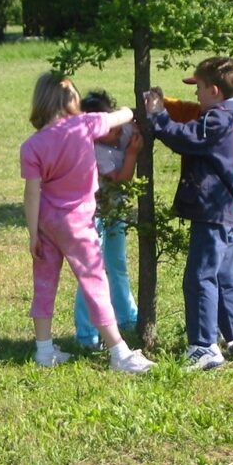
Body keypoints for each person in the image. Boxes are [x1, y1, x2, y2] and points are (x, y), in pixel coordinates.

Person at [20, 72, 155, 373]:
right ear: (73, 101)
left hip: (46, 221)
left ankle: (43, 350)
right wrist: (135, 109)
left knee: (44, 284)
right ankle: (118, 351)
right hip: (78, 221)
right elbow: (124, 114)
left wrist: (33, 234)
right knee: (95, 281)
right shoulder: (86, 125)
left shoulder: (32, 145)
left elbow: (31, 192)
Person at [144, 56, 233, 370]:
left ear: (215, 91)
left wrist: (158, 116)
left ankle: (204, 345)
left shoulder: (216, 120)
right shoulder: (226, 117)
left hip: (214, 212)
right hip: (228, 210)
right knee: (227, 275)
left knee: (200, 276)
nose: (196, 94)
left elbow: (186, 138)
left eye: (200, 88)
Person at [73, 90, 141, 350]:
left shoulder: (123, 129)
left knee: (118, 262)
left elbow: (133, 119)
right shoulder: (96, 150)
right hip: (95, 213)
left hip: (116, 208)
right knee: (93, 270)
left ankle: (127, 318)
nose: (110, 132)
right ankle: (86, 333)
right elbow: (123, 178)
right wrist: (133, 154)